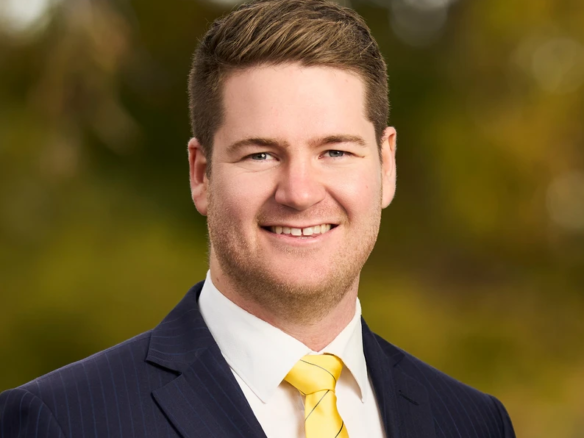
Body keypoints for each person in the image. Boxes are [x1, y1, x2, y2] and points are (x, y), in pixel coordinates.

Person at [0, 0, 516, 437]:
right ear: (201, 174)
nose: (299, 192)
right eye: (261, 155)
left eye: (335, 152)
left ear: (387, 164)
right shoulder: (62, 420)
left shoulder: (472, 422)